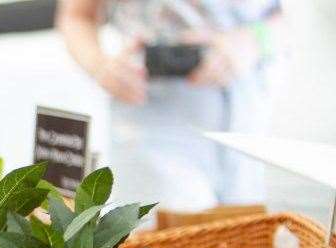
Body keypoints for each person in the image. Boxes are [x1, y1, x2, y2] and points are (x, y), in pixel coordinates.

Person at [57, 0, 282, 213]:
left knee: (249, 239)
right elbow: (76, 16)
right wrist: (100, 66)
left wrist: (255, 39)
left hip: (251, 122)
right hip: (151, 119)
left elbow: (293, 21)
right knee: (174, 240)